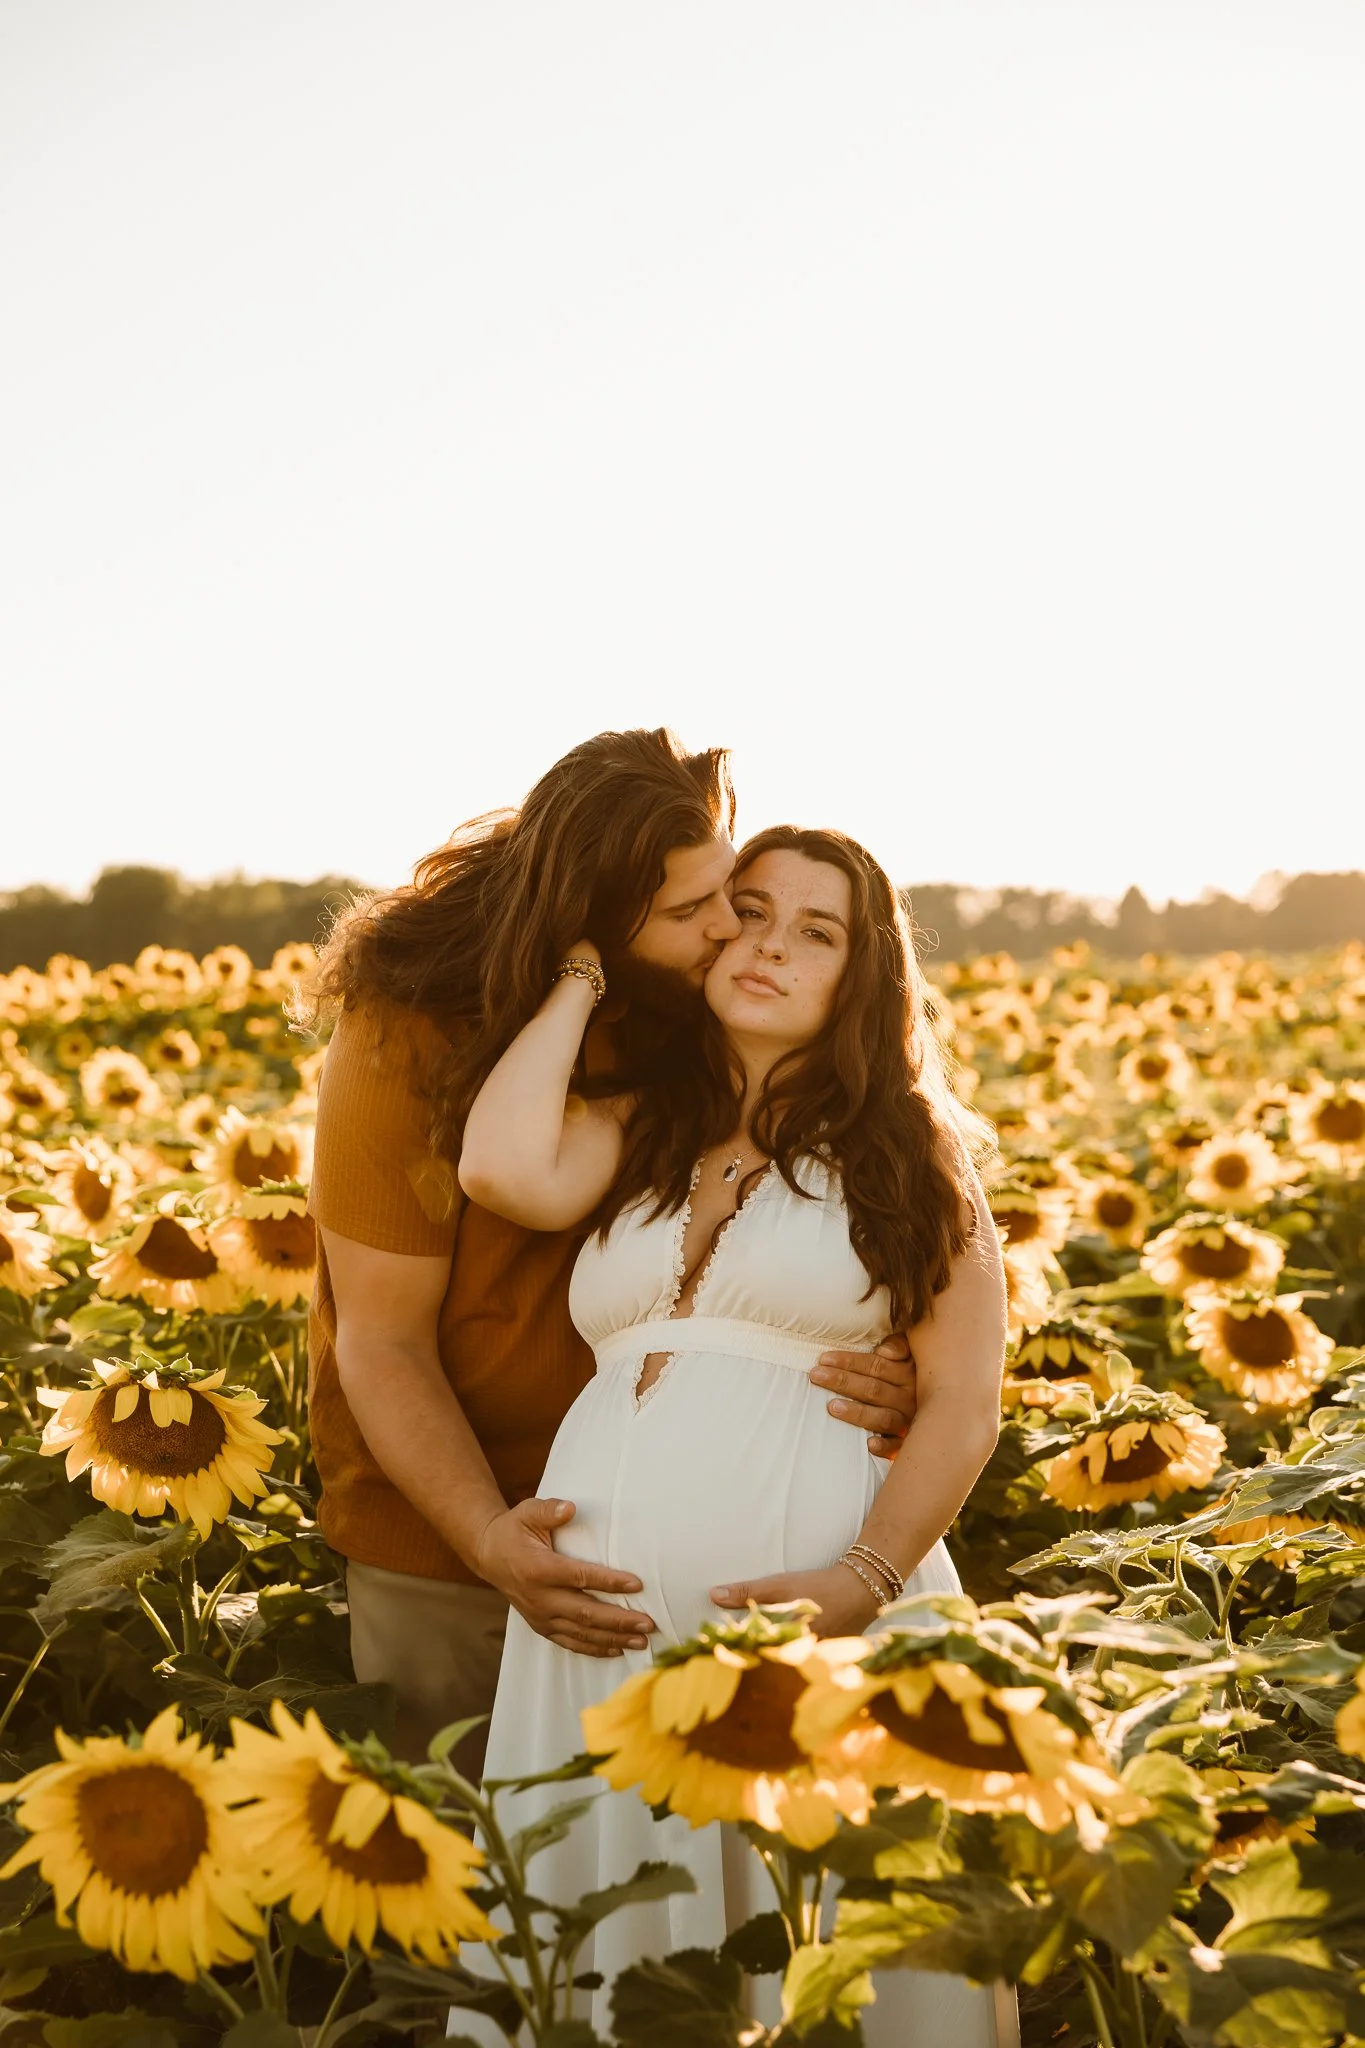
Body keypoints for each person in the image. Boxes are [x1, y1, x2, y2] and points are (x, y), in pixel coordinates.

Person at [458, 824, 1012, 2045]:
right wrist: (585, 972)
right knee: (613, 1952)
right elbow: (499, 1167)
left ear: (861, 975)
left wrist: (858, 1583)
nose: (769, 945)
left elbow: (969, 1393)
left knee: (823, 1953)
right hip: (594, 1632)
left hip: (818, 1613)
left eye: (815, 932)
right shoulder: (642, 1127)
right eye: (748, 912)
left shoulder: (908, 1146)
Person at [303, 732, 923, 1772]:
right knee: (450, 1876)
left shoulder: (704, 1010)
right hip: (452, 1520)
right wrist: (487, 1537)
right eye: (693, 913)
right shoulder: (403, 1027)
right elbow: (383, 1340)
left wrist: (894, 1355)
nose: (729, 928)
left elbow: (832, 1208)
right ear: (587, 918)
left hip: (663, 1535)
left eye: (724, 888)